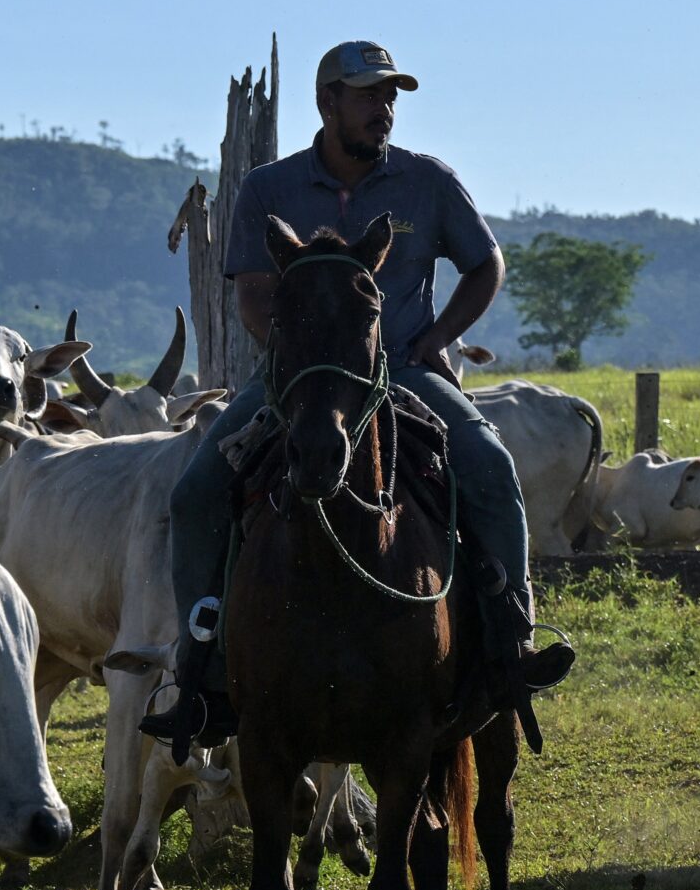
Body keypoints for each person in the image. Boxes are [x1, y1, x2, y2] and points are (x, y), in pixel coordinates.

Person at [142, 39, 574, 756]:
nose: (385, 109)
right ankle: (204, 672)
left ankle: (511, 645)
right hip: (297, 380)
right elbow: (253, 294)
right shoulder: (267, 190)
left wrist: (438, 334)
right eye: (370, 95)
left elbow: (485, 262)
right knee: (196, 492)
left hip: (405, 369)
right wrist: (299, 360)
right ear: (327, 102)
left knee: (489, 466)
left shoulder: (427, 182)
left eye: (391, 96)